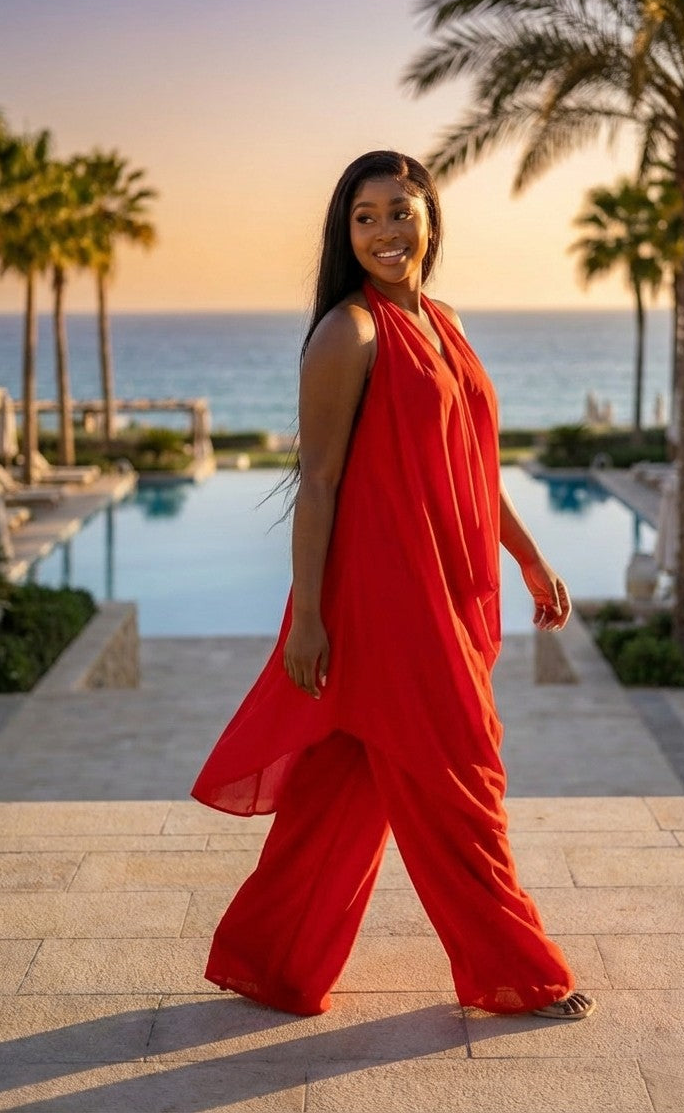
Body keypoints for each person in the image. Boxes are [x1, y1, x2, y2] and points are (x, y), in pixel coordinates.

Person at [191, 149, 596, 1021]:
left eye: (400, 211)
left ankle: (272, 961)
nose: (384, 230)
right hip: (384, 605)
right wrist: (307, 621)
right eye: (364, 216)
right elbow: (322, 484)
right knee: (464, 776)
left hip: (443, 587)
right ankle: (519, 968)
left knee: (338, 790)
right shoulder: (351, 332)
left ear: (431, 220)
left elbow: (472, 468)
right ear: (346, 232)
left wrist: (526, 554)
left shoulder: (443, 322)